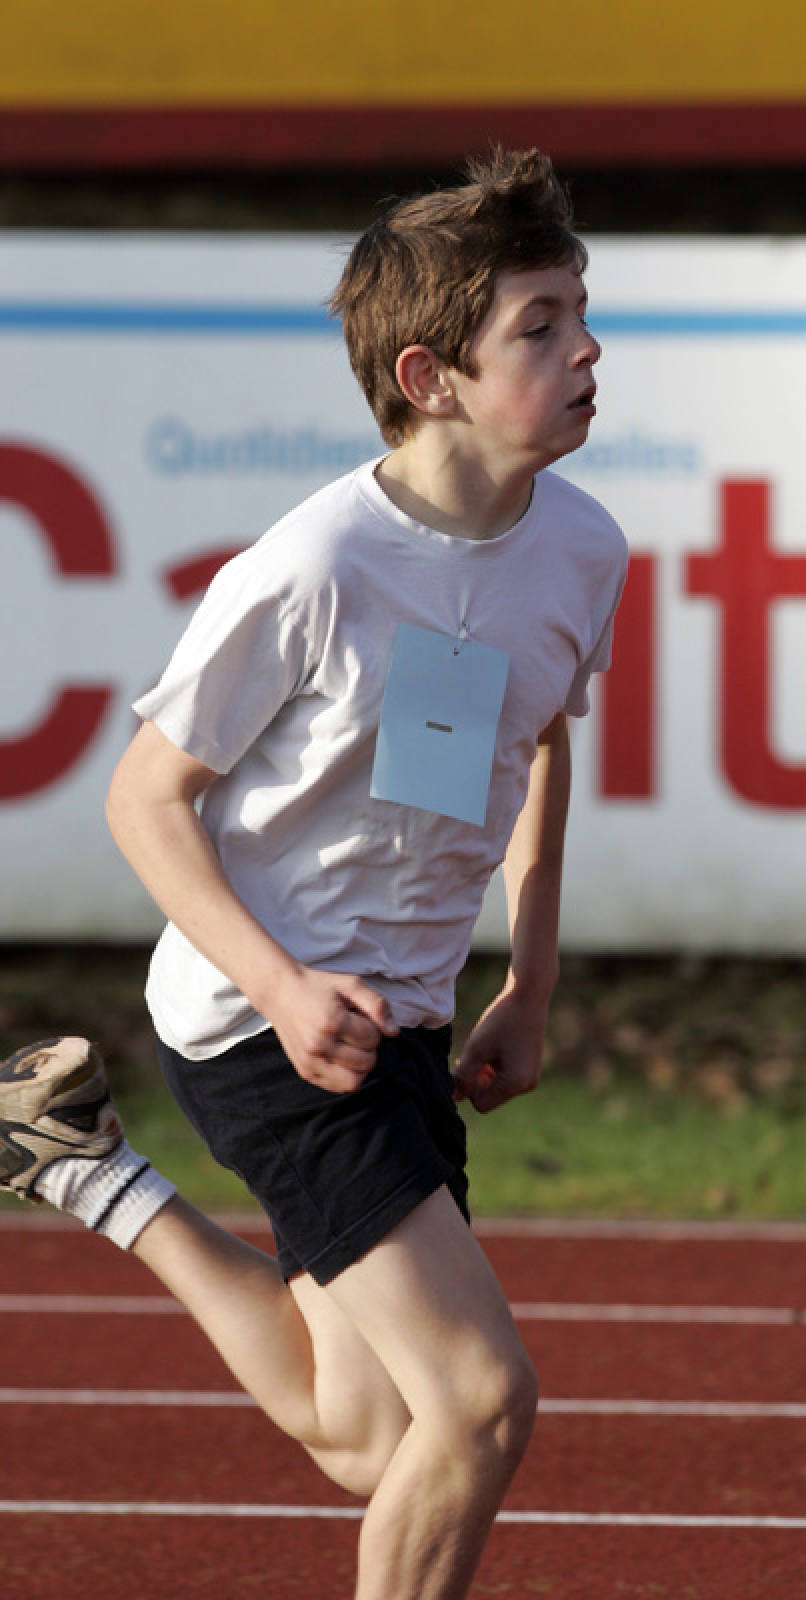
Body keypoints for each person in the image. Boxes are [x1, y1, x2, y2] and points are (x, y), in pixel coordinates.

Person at [0, 147, 627, 1600]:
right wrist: (283, 990)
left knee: (371, 1434)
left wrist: (528, 984)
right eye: (539, 326)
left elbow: (541, 741)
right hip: (264, 1019)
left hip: (402, 1015)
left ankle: (80, 1165)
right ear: (430, 377)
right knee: (478, 1405)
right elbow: (145, 800)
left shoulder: (582, 548)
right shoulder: (314, 565)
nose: (587, 349)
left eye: (583, 314)